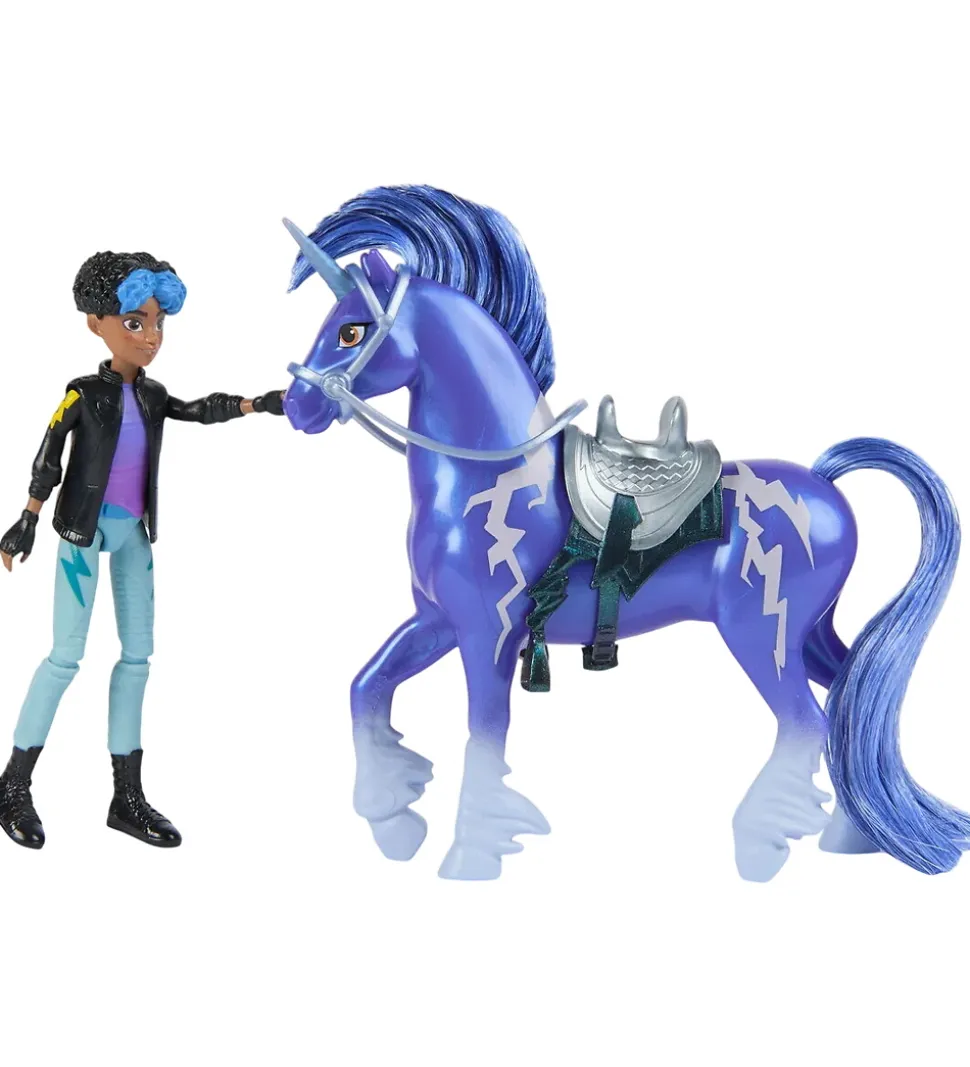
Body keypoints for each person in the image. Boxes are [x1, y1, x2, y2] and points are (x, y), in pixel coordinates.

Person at [0, 250, 285, 849]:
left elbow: (197, 411)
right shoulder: (80, 394)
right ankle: (13, 785)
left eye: (158, 323)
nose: (151, 337)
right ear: (96, 323)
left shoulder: (154, 396)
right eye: (135, 323)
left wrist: (253, 404)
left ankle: (126, 797)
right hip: (81, 533)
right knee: (64, 658)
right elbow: (48, 457)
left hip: (133, 532)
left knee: (137, 658)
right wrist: (27, 518)